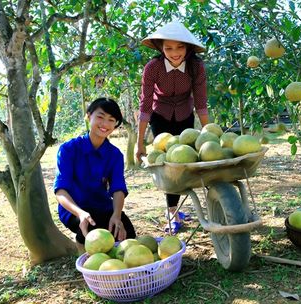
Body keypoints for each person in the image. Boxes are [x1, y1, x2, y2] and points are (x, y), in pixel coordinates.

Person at [135, 21, 209, 234]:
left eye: (180, 47)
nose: (175, 53)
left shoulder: (196, 67)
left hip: (185, 115)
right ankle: (172, 211)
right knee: (168, 164)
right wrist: (139, 144)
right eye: (168, 48)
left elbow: (201, 103)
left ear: (188, 48)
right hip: (161, 117)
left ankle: (177, 206)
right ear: (160, 48)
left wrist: (210, 135)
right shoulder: (153, 68)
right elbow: (145, 106)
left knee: (185, 159)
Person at [54, 97, 136, 252]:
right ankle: (83, 253)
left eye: (111, 120)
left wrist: (117, 216)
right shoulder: (68, 150)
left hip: (102, 207)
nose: (105, 124)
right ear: (88, 116)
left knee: (127, 234)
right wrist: (80, 213)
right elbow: (60, 191)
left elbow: (118, 189)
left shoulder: (115, 155)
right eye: (100, 117)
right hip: (74, 209)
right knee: (92, 230)